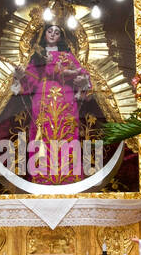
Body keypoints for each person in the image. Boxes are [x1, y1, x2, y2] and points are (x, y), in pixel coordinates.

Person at [11, 22, 91, 186]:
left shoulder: (67, 56)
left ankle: (69, 177)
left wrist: (82, 80)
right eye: (50, 31)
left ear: (61, 37)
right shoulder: (37, 57)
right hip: (43, 99)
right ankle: (42, 177)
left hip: (66, 98)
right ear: (44, 34)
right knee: (42, 132)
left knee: (67, 132)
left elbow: (82, 73)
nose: (53, 34)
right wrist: (20, 75)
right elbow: (30, 79)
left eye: (57, 32)